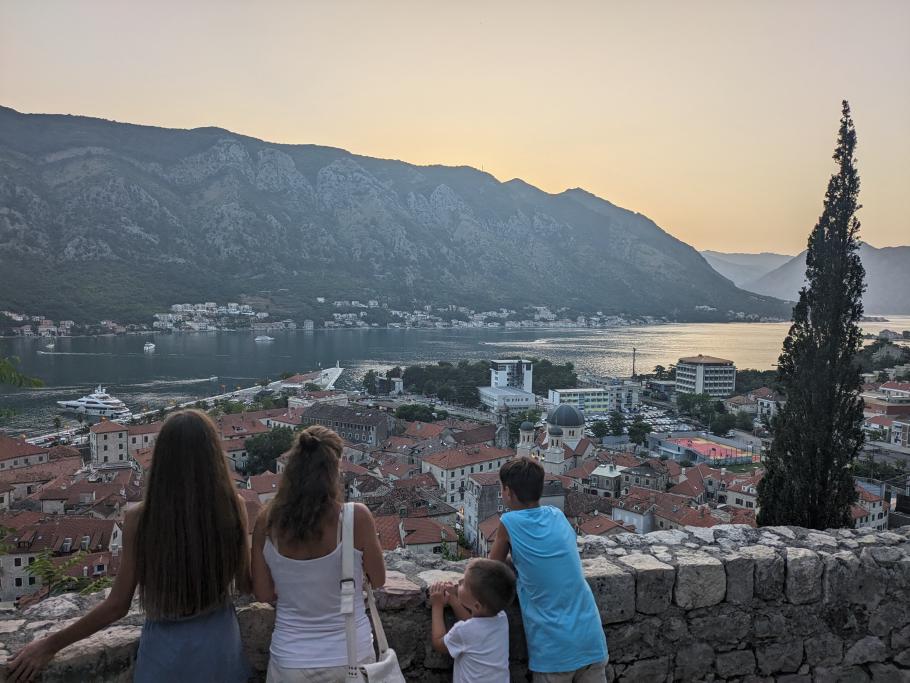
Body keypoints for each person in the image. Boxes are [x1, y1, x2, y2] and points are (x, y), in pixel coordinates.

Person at [7, 409, 252, 683]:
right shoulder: (235, 507)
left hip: (165, 660)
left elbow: (116, 606)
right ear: (214, 456)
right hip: (221, 654)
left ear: (161, 459)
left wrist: (49, 644)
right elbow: (245, 583)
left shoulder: (140, 519)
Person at [251, 425, 386, 682]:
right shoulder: (356, 517)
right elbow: (378, 580)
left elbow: (264, 593)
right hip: (351, 657)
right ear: (334, 470)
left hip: (291, 658)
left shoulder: (266, 522)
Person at [490, 457, 608, 682]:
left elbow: (491, 568)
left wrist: (512, 561)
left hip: (554, 649)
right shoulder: (557, 515)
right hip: (591, 638)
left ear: (508, 492)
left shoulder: (509, 522)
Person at [429, 558, 515, 683]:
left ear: (477, 606)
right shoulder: (501, 618)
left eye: (464, 583)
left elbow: (439, 643)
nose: (459, 581)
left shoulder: (462, 631)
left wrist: (437, 605)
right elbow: (474, 625)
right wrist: (453, 599)